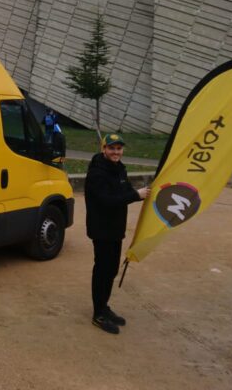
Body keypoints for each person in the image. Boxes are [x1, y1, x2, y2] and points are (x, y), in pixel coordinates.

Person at [84, 133, 149, 334]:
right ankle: (98, 314)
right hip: (101, 229)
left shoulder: (119, 169)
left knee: (112, 269)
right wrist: (135, 195)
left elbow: (126, 192)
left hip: (115, 229)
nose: (116, 152)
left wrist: (144, 194)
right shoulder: (97, 173)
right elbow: (107, 200)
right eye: (111, 148)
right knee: (102, 270)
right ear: (104, 149)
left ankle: (105, 306)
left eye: (119, 148)